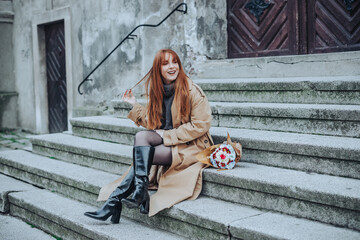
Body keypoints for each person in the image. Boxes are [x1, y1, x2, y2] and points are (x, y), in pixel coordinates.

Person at [84, 49, 213, 223]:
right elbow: (153, 122)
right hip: (171, 141)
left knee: (146, 155)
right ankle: (136, 193)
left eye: (175, 62)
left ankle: (116, 202)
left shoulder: (192, 91)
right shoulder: (159, 91)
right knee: (141, 138)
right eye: (165, 63)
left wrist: (167, 134)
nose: (172, 67)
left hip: (191, 144)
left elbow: (201, 125)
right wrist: (135, 105)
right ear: (158, 68)